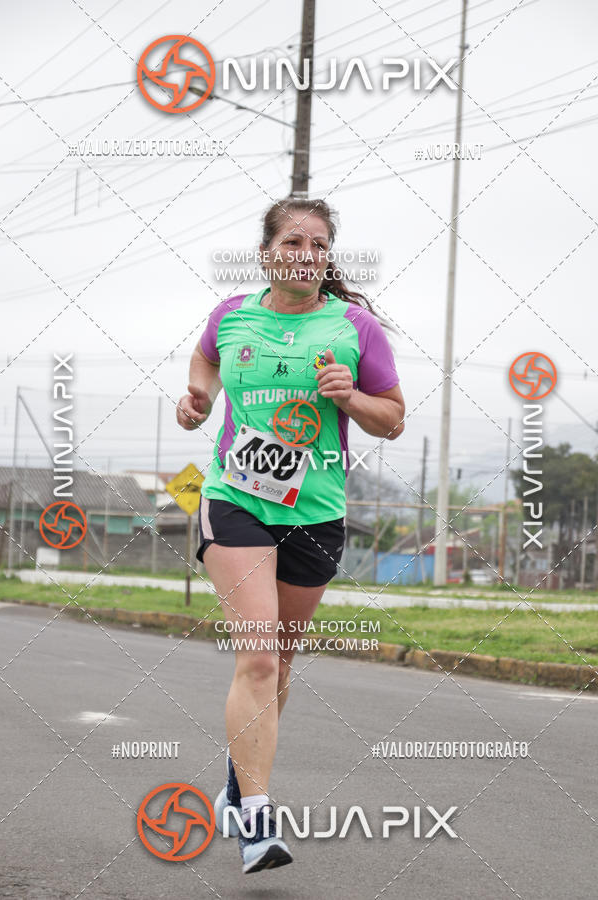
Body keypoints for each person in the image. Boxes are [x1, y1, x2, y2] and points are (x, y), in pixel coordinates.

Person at [176, 197, 405, 874]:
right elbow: (204, 360)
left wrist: (351, 399)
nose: (307, 253)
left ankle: (236, 775)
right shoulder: (232, 316)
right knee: (256, 659)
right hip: (235, 500)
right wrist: (198, 399)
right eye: (295, 241)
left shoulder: (354, 329)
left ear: (327, 258)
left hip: (315, 512)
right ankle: (256, 818)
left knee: (279, 663)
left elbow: (391, 419)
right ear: (267, 252)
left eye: (319, 245)